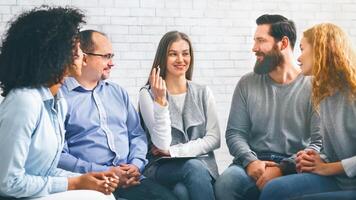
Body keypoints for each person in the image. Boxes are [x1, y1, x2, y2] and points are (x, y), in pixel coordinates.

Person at [0, 6, 119, 200]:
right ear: (53, 51)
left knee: (102, 194)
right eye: (75, 46)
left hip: (34, 193)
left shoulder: (58, 101)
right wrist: (75, 183)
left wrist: (87, 179)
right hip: (16, 196)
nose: (81, 54)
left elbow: (45, 172)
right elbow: (8, 183)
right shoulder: (24, 102)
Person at [58, 30, 177, 200]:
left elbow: (136, 134)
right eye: (106, 56)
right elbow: (59, 156)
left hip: (131, 178)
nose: (112, 63)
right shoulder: (61, 98)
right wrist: (104, 172)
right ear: (84, 58)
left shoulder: (117, 92)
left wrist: (135, 165)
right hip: (91, 183)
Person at [214, 14, 323, 200]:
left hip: (295, 164)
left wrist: (283, 168)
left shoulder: (315, 87)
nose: (254, 48)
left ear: (283, 43)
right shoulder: (246, 83)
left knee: (277, 190)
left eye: (261, 41)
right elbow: (235, 133)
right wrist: (250, 161)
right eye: (254, 41)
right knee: (226, 184)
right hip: (253, 160)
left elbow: (318, 142)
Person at [260, 23, 356, 200]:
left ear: (321, 51)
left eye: (303, 49)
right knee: (274, 190)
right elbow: (332, 150)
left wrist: (328, 167)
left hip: (348, 181)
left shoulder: (353, 93)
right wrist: (313, 158)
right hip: (340, 179)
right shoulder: (325, 95)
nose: (298, 58)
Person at [138, 30, 221, 200]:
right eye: (173, 54)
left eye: (185, 53)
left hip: (202, 167)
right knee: (193, 167)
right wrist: (160, 100)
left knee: (182, 192)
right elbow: (161, 143)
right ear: (163, 57)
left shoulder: (203, 92)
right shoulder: (147, 94)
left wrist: (175, 151)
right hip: (161, 167)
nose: (181, 60)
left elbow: (214, 138)